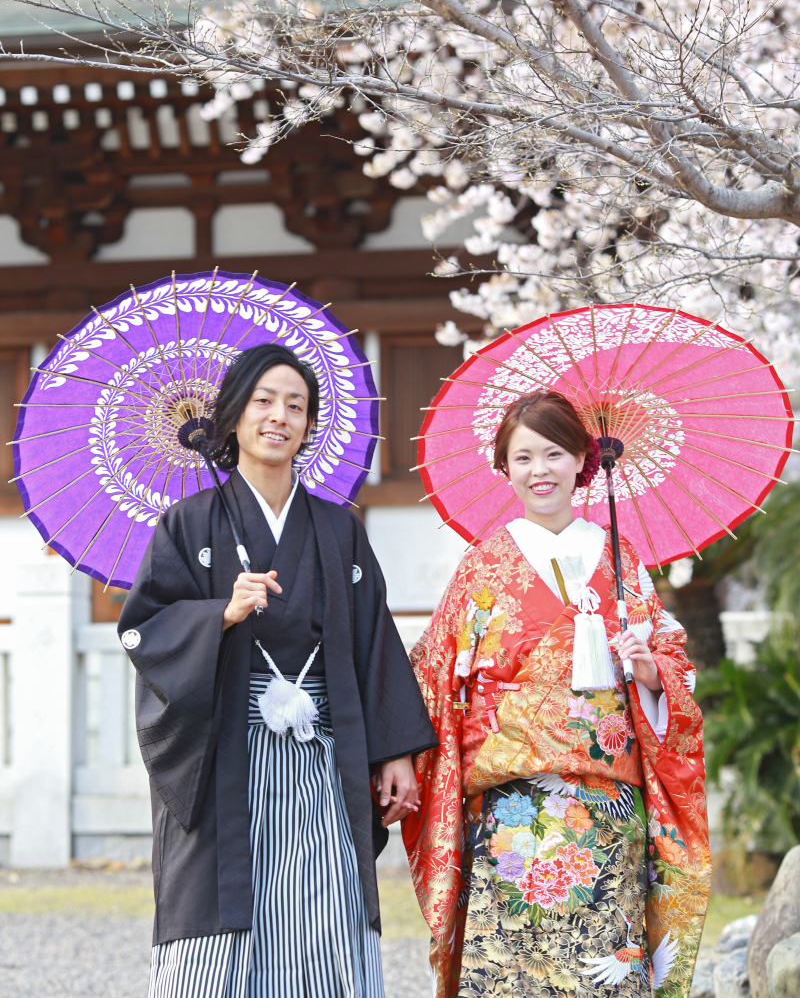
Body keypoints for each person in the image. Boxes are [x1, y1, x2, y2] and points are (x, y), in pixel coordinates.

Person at [118, 342, 437, 998]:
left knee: (322, 905)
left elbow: (374, 638)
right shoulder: (188, 523)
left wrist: (396, 751)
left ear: (309, 426)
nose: (279, 416)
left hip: (322, 748)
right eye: (263, 401)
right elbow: (144, 629)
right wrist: (218, 616)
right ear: (232, 417)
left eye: (296, 405)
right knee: (220, 911)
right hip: (227, 751)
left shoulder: (337, 529)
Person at [402, 391, 710, 998]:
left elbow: (674, 669)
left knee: (602, 962)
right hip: (511, 805)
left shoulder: (621, 558)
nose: (539, 470)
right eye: (522, 457)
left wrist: (649, 670)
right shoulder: (483, 566)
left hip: (607, 805)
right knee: (511, 965)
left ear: (581, 461)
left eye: (553, 453)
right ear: (505, 467)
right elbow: (434, 673)